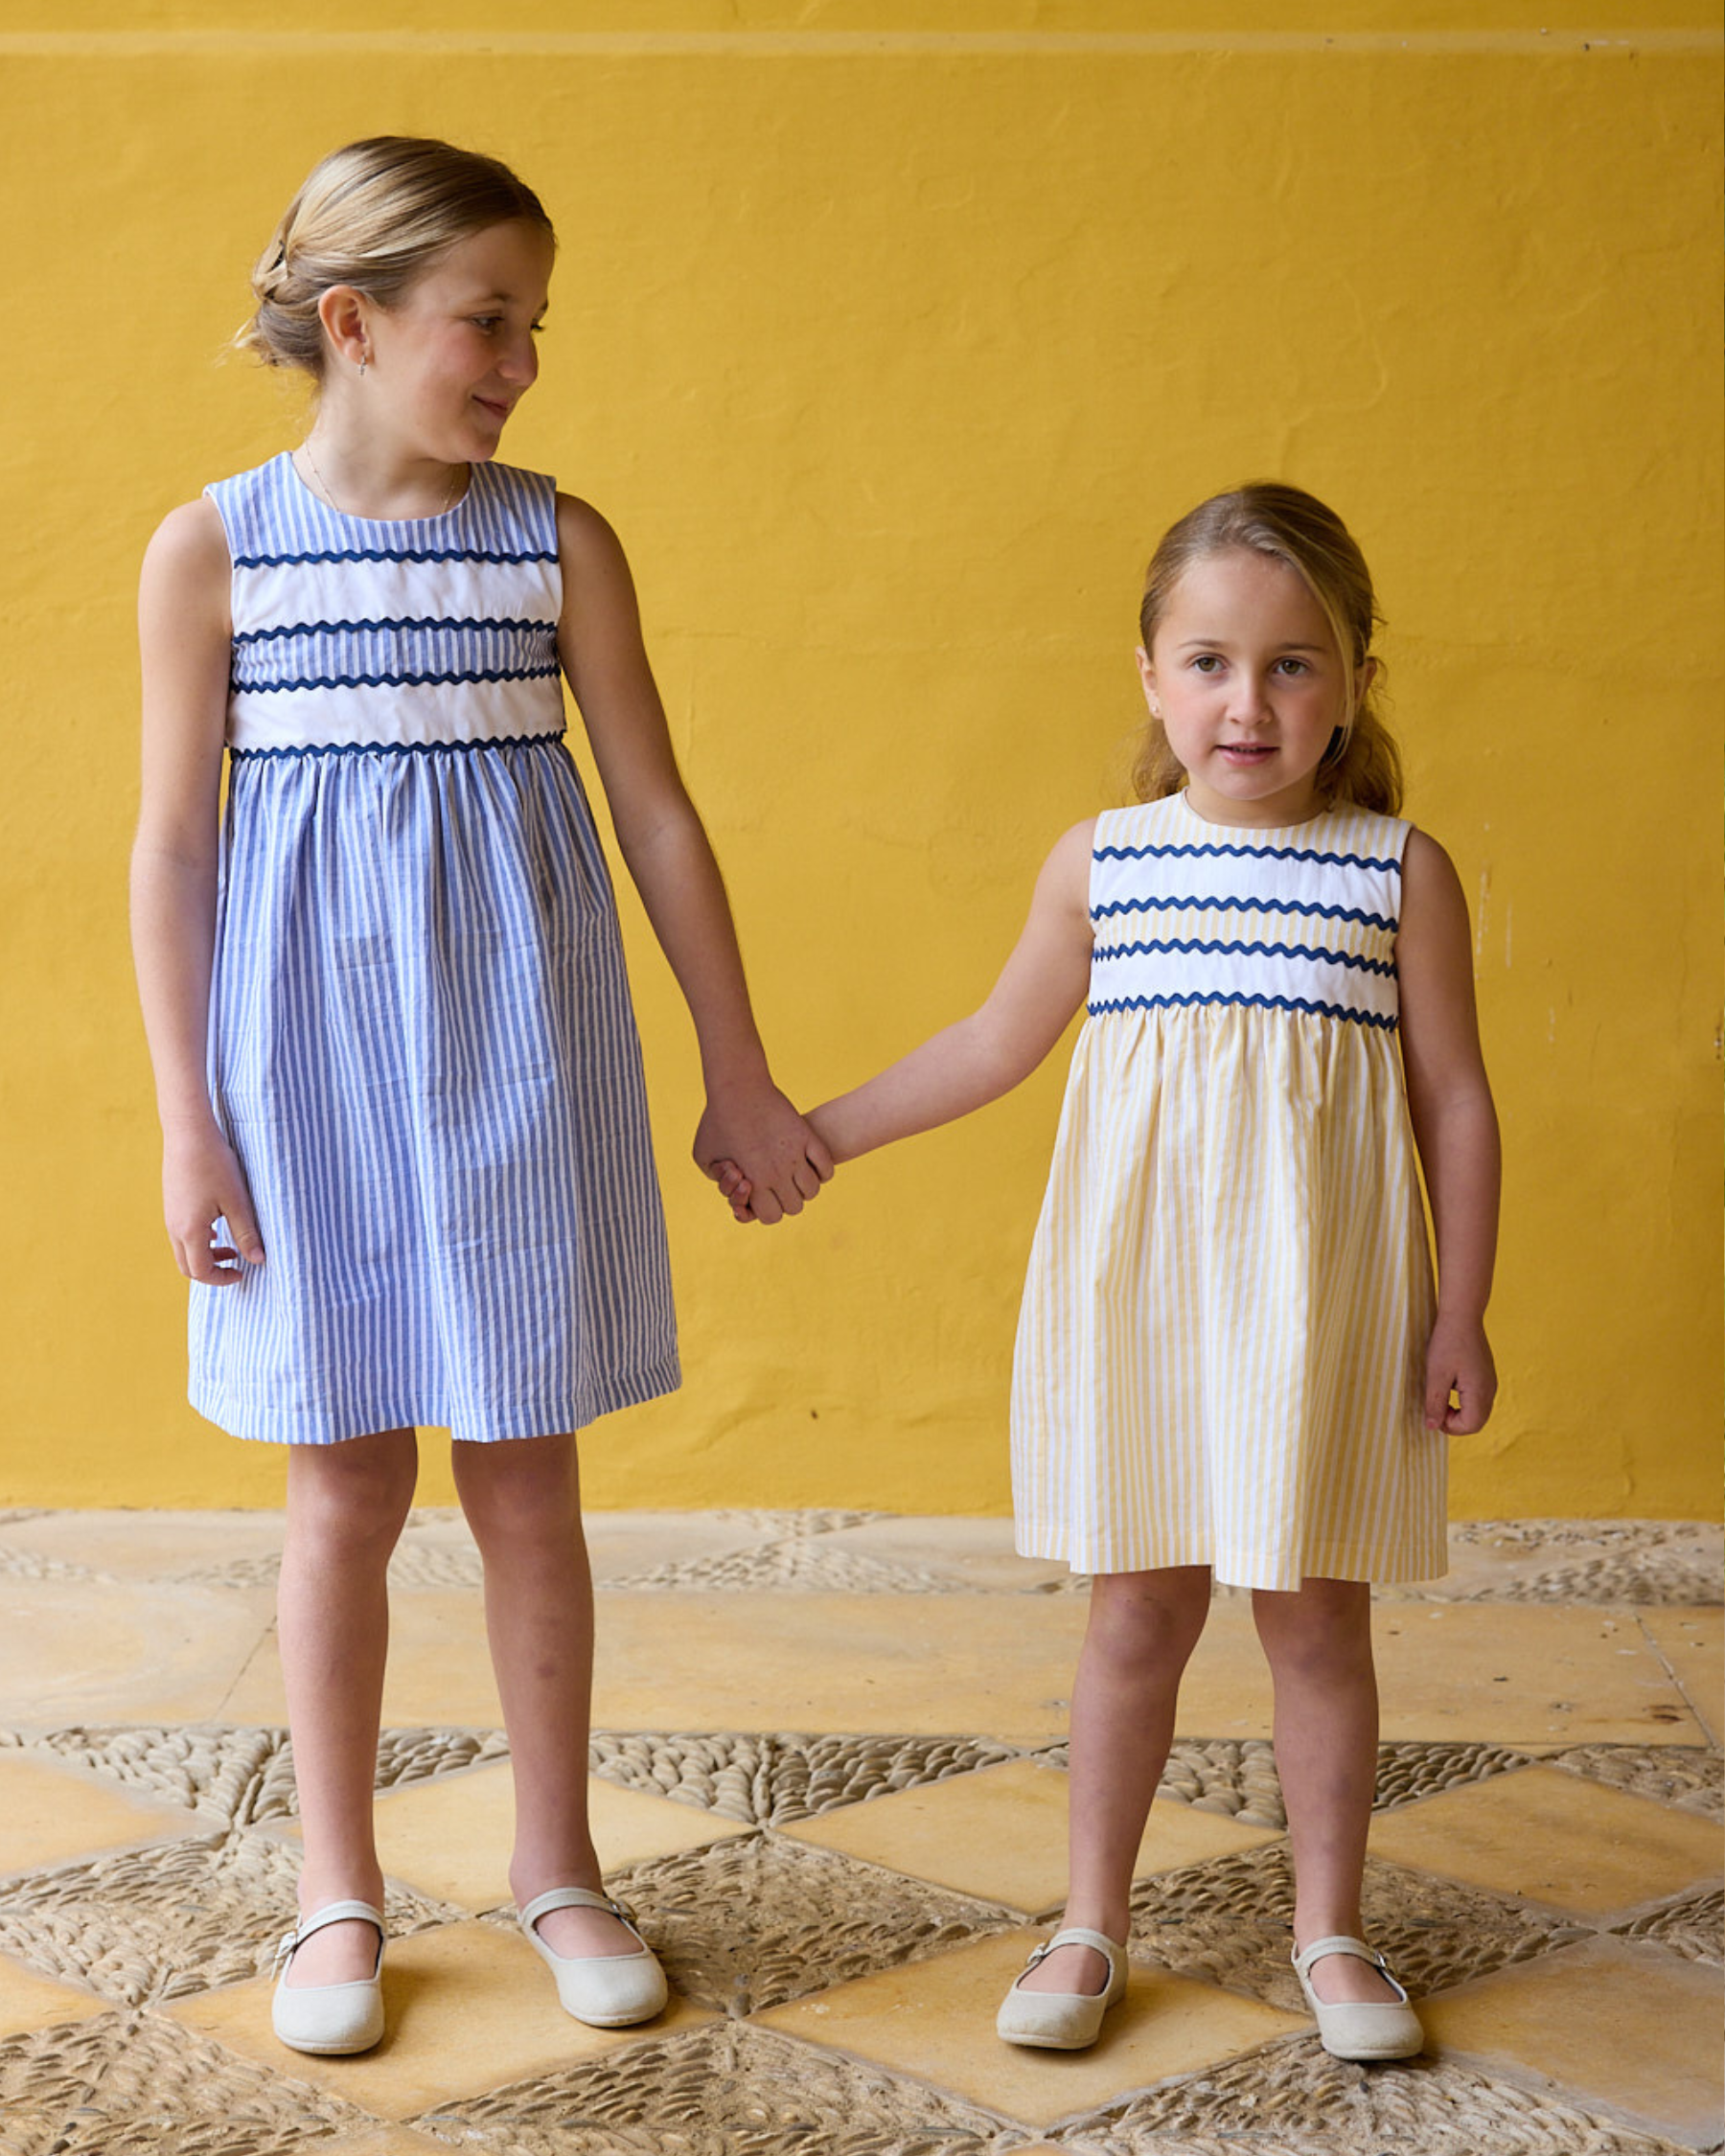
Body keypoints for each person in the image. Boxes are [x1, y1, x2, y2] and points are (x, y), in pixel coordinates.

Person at [130, 135, 831, 2057]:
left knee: (528, 1473)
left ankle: (556, 1862)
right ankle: (334, 1890)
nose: (523, 360)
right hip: (304, 1088)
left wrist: (739, 1071)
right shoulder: (216, 550)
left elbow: (660, 819)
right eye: (489, 322)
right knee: (342, 1478)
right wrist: (191, 1117)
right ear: (353, 326)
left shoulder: (553, 540)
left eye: (534, 324)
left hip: (525, 1070)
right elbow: (171, 844)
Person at [721, 482, 1499, 2060]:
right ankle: (1089, 1922)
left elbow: (1456, 1101)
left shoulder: (1394, 871)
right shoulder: (1107, 863)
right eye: (1209, 660)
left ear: (1353, 678)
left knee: (1314, 1617)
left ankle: (1331, 1930)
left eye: (1294, 663)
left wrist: (1463, 1302)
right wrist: (818, 1134)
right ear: (1150, 675)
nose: (1249, 700)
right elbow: (992, 1042)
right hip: (1141, 1304)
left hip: (1320, 1315)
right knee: (1134, 1615)